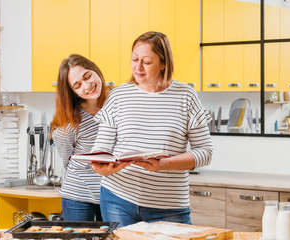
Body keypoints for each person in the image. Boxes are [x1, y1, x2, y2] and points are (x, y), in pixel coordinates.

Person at [91, 31, 214, 227]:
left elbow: (205, 153)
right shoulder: (118, 96)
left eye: (146, 62)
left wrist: (163, 164)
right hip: (117, 198)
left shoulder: (186, 96)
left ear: (163, 63)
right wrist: (101, 168)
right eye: (134, 59)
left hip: (169, 206)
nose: (137, 67)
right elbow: (100, 151)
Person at [51, 54, 121, 221]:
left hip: (116, 192)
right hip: (79, 194)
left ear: (95, 70)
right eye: (77, 85)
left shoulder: (119, 102)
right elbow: (68, 160)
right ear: (72, 92)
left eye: (87, 76)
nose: (87, 85)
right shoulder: (69, 124)